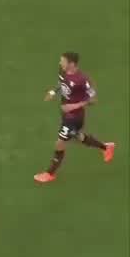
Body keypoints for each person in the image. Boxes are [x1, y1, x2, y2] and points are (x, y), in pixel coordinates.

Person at [35, 51, 116, 183]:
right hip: (66, 114)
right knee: (78, 137)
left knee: (60, 143)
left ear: (71, 64)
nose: (60, 63)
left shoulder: (82, 80)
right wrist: (53, 92)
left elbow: (93, 99)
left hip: (74, 117)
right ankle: (106, 147)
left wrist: (74, 106)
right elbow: (62, 84)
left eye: (63, 61)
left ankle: (49, 173)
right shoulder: (63, 71)